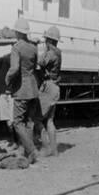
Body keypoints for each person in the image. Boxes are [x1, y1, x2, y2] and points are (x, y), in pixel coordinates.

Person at [5, 17, 39, 164]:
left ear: (18, 32)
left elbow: (14, 68)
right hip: (33, 88)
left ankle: (31, 151)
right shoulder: (33, 47)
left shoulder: (16, 47)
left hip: (22, 89)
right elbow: (35, 67)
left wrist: (7, 79)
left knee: (17, 122)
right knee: (29, 122)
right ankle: (27, 152)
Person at [38, 26, 62, 157]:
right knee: (50, 120)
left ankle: (46, 147)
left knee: (37, 118)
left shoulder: (50, 53)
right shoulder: (58, 52)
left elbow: (40, 62)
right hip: (55, 86)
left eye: (46, 40)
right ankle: (54, 150)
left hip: (48, 87)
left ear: (50, 41)